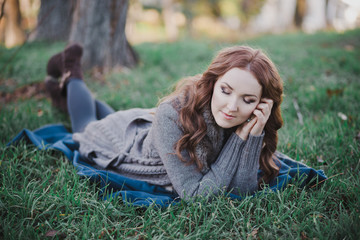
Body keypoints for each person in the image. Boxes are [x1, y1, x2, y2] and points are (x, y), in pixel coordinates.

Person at [45, 44, 284, 199]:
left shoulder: (244, 121)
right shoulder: (173, 113)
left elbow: (241, 190)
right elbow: (195, 194)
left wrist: (250, 135)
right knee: (87, 124)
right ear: (213, 82)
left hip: (147, 127)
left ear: (262, 105)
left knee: (106, 115)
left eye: (248, 99)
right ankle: (70, 69)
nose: (232, 107)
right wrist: (240, 139)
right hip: (127, 148)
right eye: (226, 90)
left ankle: (60, 92)